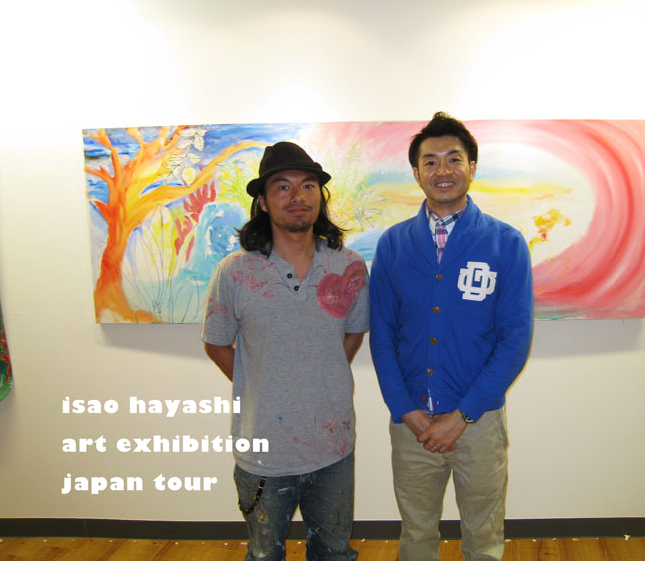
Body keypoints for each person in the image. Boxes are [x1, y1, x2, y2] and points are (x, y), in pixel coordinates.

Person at [369, 112, 533, 561]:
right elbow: (382, 336)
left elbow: (514, 340)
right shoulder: (393, 245)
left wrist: (462, 415)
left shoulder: (506, 243)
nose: (442, 170)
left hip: (478, 423)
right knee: (416, 534)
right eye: (430, 161)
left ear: (472, 167)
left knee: (483, 536)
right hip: (412, 425)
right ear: (416, 172)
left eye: (454, 159)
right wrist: (406, 411)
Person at [202, 141, 369, 561]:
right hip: (263, 451)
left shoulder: (349, 265)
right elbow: (216, 342)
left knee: (334, 553)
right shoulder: (234, 272)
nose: (298, 196)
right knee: (264, 555)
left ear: (320, 197)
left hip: (333, 446)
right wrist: (262, 381)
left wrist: (319, 373)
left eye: (308, 185)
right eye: (283, 186)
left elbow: (352, 335)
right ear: (262, 201)